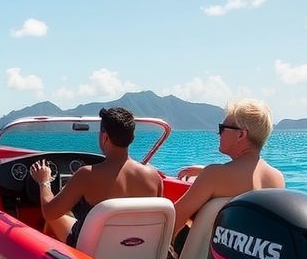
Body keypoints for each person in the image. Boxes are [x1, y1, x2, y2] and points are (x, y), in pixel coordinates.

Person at [29, 107, 163, 248]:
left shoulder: (86, 175)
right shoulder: (154, 177)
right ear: (132, 138)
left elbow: (49, 212)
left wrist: (44, 181)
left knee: (54, 216)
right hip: (137, 251)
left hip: (92, 254)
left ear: (104, 137)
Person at [171, 99, 285, 248]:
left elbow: (171, 221)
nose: (219, 133)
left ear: (241, 135)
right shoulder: (277, 179)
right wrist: (206, 171)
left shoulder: (214, 175)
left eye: (222, 128)